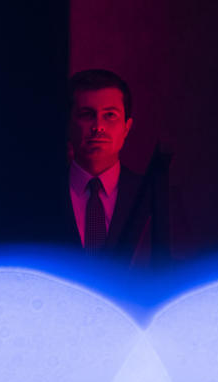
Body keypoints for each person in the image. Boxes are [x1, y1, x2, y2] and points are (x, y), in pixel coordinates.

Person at [60, 69, 158, 268]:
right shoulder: (40, 195)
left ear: (126, 128)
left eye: (110, 115)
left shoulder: (153, 195)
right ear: (67, 125)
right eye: (87, 115)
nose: (98, 126)